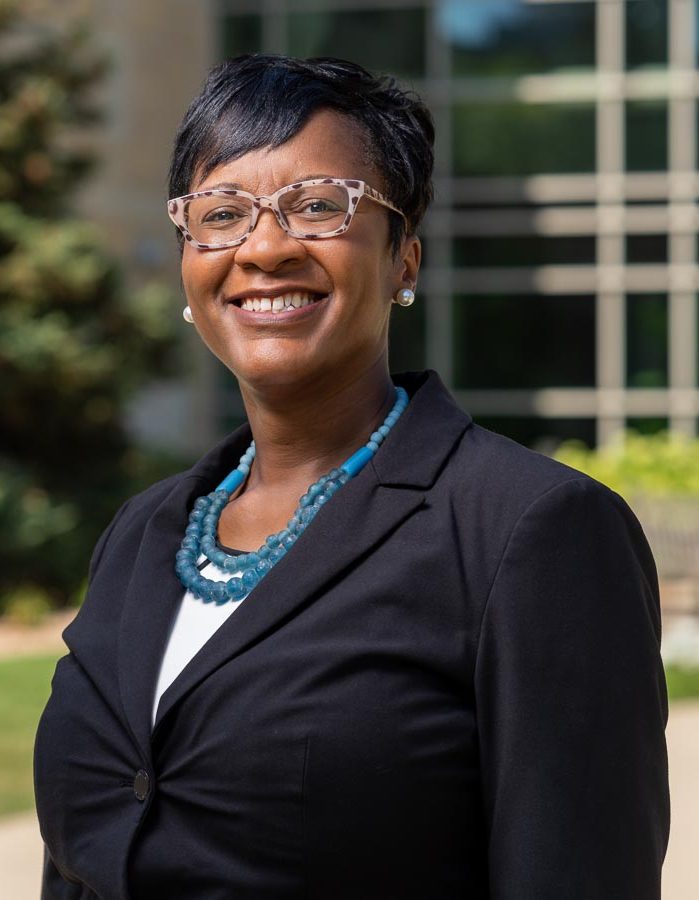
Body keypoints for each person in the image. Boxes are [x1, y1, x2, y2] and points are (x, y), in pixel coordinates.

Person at [34, 55, 670, 900]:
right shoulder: (141, 533)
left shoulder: (526, 530)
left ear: (403, 257)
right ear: (189, 262)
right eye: (221, 213)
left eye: (317, 207)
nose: (264, 246)